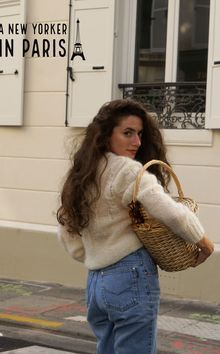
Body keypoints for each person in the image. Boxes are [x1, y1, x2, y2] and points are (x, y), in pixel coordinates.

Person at [57, 99, 214, 354]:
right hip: (130, 275)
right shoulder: (129, 170)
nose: (137, 142)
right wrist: (205, 243)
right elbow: (172, 213)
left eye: (139, 134)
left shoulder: (82, 173)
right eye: (127, 133)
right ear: (106, 135)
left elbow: (66, 232)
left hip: (96, 283)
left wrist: (94, 255)